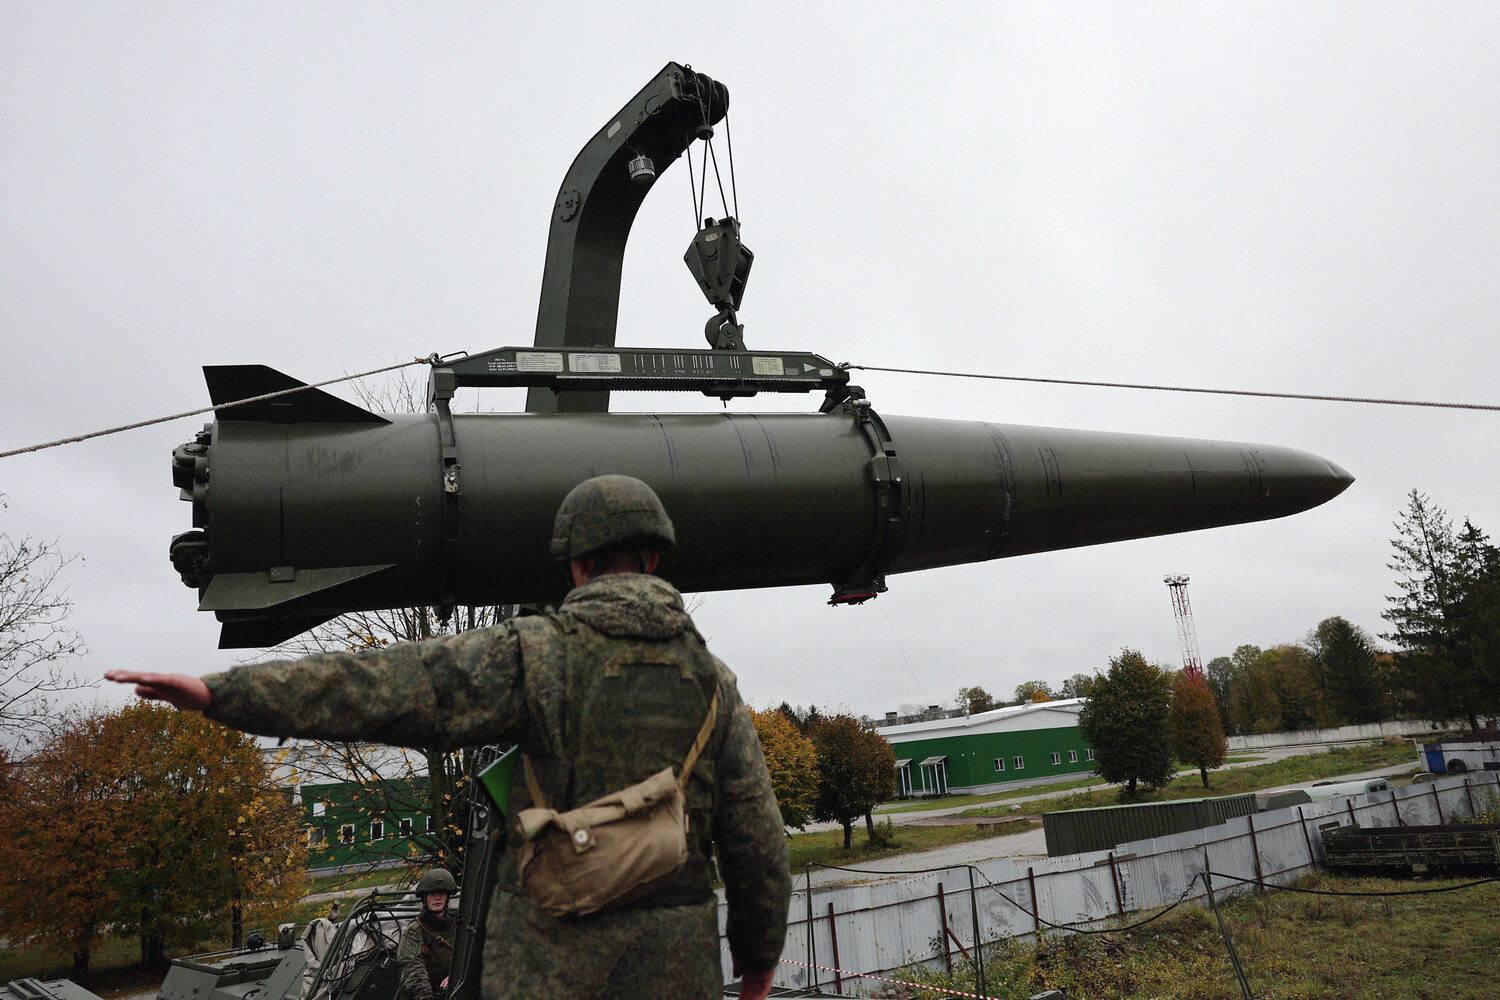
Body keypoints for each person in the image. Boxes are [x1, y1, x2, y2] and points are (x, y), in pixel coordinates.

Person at [107, 474, 791, 1000]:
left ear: (575, 564)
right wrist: (757, 963)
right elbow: (759, 848)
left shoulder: (536, 654)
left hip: (547, 966)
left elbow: (389, 686)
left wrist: (223, 694)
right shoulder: (714, 683)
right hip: (676, 965)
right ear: (655, 558)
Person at [398, 868, 457, 1000]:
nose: (437, 897)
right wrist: (426, 995)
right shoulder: (414, 931)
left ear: (447, 896)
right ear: (424, 897)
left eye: (441, 892)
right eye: (432, 893)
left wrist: (456, 977)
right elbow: (412, 968)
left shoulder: (458, 926)